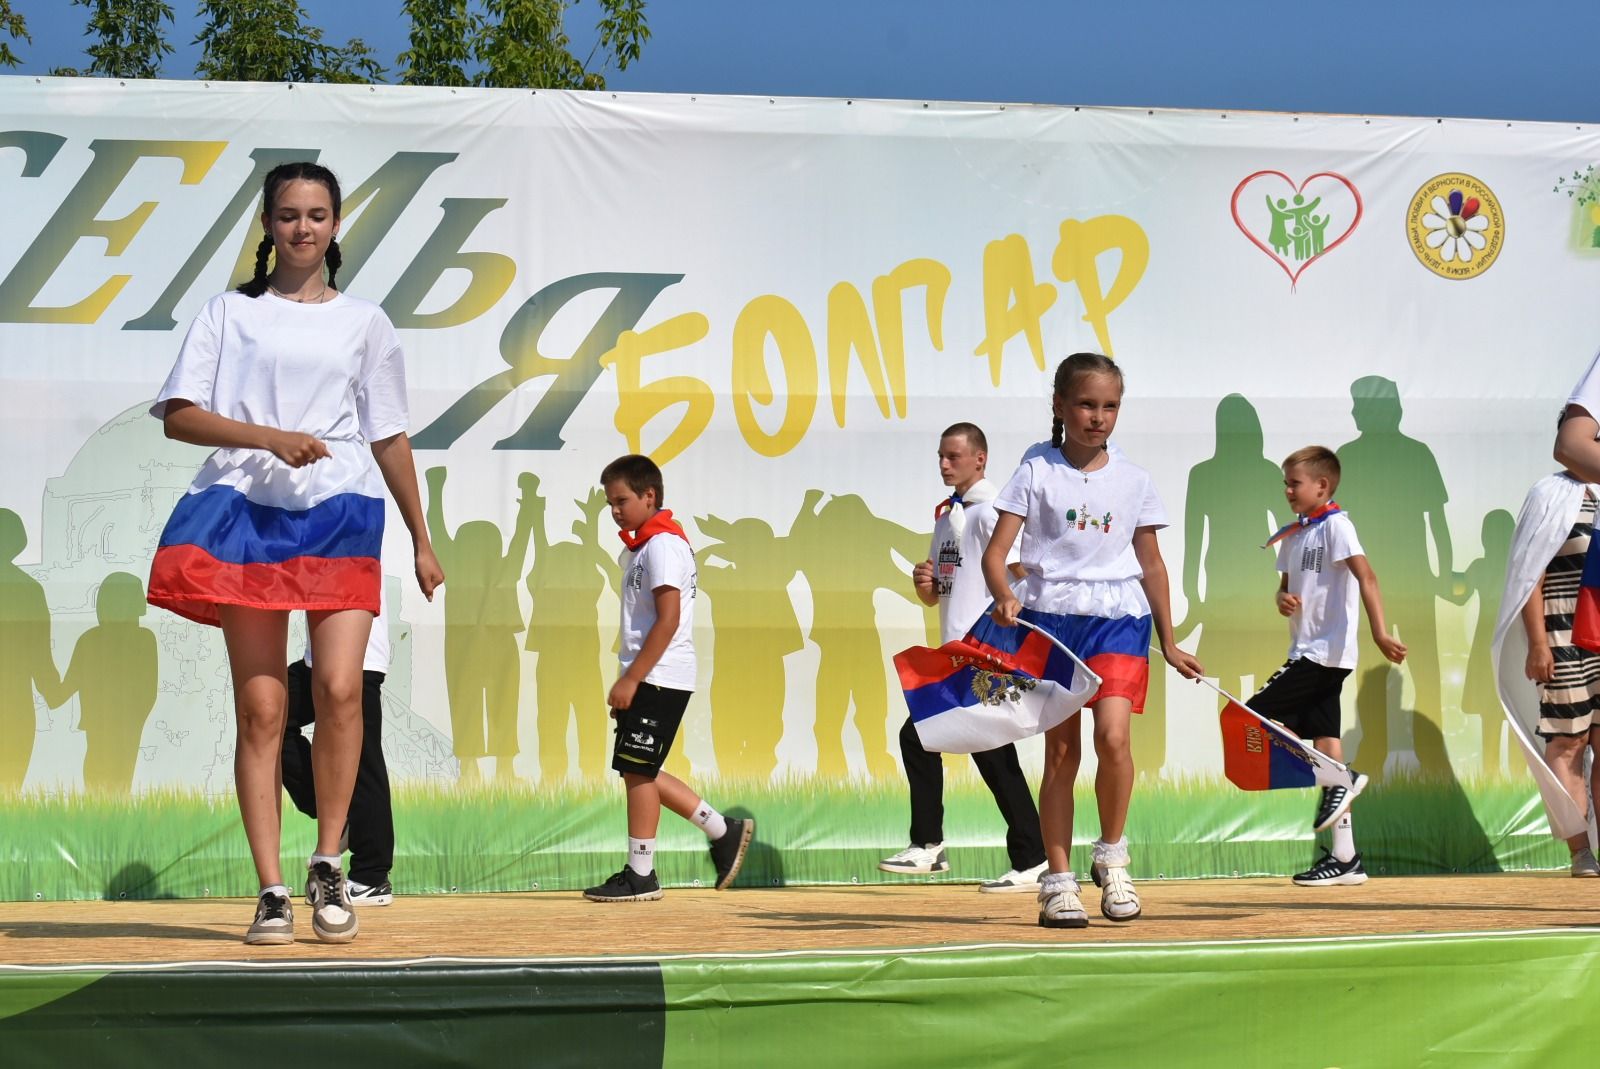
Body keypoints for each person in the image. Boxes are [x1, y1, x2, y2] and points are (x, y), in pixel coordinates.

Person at [145, 162, 442, 945]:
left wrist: (421, 536)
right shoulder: (227, 315)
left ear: (336, 225)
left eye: (316, 214)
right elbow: (179, 415)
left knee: (344, 688)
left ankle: (328, 864)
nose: (302, 228)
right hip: (245, 511)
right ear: (268, 225)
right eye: (287, 215)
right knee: (264, 707)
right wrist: (267, 436)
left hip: (341, 509)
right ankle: (272, 888)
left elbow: (389, 435)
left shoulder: (366, 323)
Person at [977, 353, 1202, 929]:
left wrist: (1171, 642)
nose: (1097, 417)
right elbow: (995, 554)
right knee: (1061, 753)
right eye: (1085, 404)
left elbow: (1151, 565)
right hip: (1052, 619)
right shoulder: (1036, 470)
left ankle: (1113, 858)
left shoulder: (1135, 480)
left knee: (1115, 737)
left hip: (1117, 619)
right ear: (1060, 406)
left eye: (1109, 406)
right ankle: (1057, 879)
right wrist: (1004, 594)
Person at [879, 422, 1047, 892]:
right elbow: (938, 594)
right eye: (940, 456)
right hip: (954, 651)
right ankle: (1031, 858)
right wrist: (925, 584)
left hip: (984, 652)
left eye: (953, 456)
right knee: (992, 757)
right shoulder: (946, 517)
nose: (944, 464)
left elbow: (1018, 572)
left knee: (920, 738)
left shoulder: (993, 511)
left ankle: (929, 846)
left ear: (980, 459)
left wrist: (1009, 627)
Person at [583, 454, 753, 902]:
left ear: (649, 495)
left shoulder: (663, 546)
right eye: (610, 503)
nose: (615, 510)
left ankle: (642, 875)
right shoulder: (645, 546)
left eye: (621, 500)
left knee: (637, 770)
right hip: (648, 674)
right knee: (638, 767)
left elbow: (668, 619)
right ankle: (723, 830)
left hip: (657, 675)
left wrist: (631, 679)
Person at [1247, 446, 1405, 887]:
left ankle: (1344, 780)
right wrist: (1282, 599)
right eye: (1286, 484)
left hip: (1324, 654)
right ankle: (1346, 857)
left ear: (1323, 486)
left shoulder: (1337, 526)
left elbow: (1366, 576)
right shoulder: (1293, 536)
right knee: (1326, 740)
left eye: (1295, 483)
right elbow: (1285, 587)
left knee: (1256, 715)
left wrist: (1378, 632)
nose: (1288, 491)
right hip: (1305, 649)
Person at [281, 581, 397, 905]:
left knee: (363, 759)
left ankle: (371, 876)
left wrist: (422, 547)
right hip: (318, 657)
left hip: (360, 656)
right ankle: (338, 815)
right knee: (265, 718)